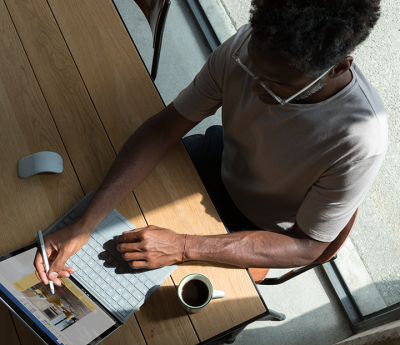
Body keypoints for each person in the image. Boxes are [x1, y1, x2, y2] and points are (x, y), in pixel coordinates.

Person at [35, 0, 387, 287]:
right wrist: (86, 223)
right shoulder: (245, 46)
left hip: (258, 228)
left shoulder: (360, 139)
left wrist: (183, 247)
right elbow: (165, 128)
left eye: (278, 85)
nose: (254, 89)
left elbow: (308, 246)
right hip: (215, 160)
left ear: (338, 68)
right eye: (254, 70)